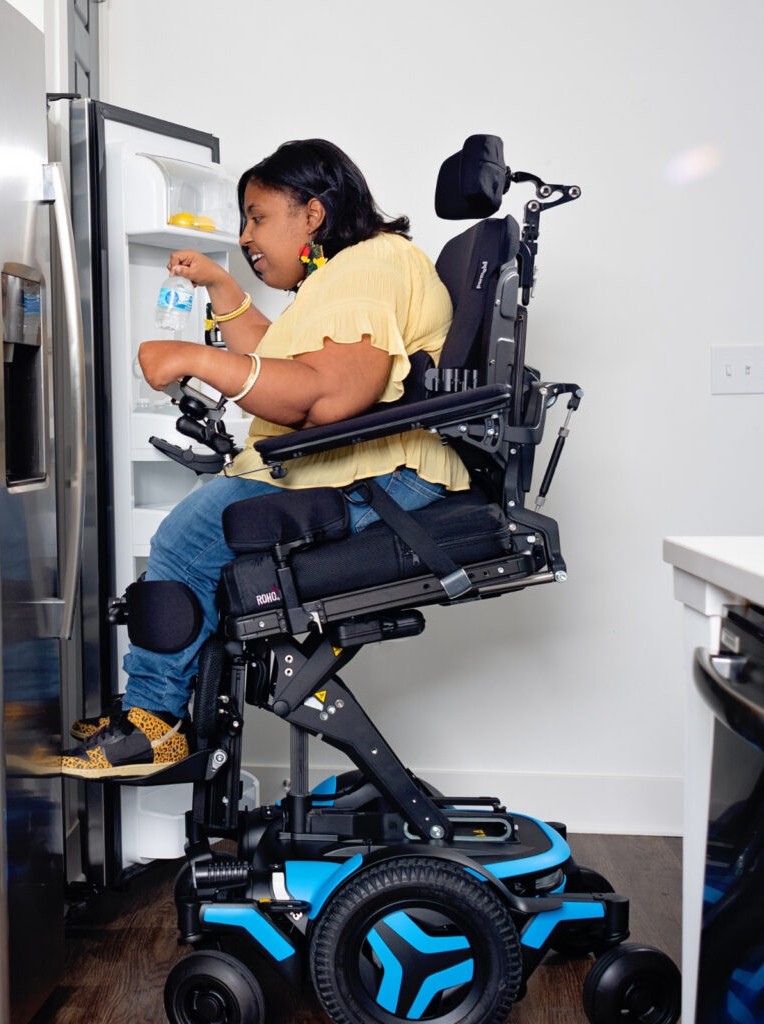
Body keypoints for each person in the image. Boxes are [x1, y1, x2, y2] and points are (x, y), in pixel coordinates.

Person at [61, 139, 469, 778]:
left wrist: (198, 358)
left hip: (380, 480)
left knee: (186, 542)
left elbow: (331, 394)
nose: (246, 234)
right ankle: (157, 708)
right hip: (373, 470)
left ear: (311, 213)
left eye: (256, 216)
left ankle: (154, 723)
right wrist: (223, 287)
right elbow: (282, 362)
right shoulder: (351, 271)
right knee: (202, 537)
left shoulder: (368, 264)